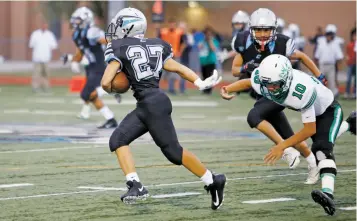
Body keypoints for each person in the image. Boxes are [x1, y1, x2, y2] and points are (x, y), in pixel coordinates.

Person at [101, 7, 226, 210]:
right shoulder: (156, 45)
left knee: (173, 153)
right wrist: (199, 82)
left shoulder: (118, 47)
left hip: (151, 105)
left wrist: (114, 88)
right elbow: (177, 68)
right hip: (151, 103)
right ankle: (135, 185)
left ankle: (213, 180)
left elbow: (106, 81)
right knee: (118, 139)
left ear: (127, 27)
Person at [221, 54, 343, 216]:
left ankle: (327, 195)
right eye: (267, 84)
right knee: (324, 140)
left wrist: (283, 145)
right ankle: (351, 124)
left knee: (321, 148)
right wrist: (228, 88)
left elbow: (309, 130)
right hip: (312, 111)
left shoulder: (301, 91)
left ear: (286, 79)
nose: (270, 89)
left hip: (328, 111)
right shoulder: (267, 81)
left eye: (274, 85)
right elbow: (250, 82)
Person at [230, 8, 328, 184]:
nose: (261, 34)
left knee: (254, 116)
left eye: (266, 29)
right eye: (258, 30)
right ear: (251, 29)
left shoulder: (282, 44)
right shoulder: (244, 42)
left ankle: (286, 150)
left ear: (274, 29)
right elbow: (235, 70)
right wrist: (245, 68)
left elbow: (302, 57)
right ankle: (313, 164)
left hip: (282, 92)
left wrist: (319, 75)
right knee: (288, 134)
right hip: (264, 94)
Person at [63, 7, 118, 128]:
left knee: (86, 94)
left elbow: (108, 40)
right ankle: (111, 119)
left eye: (78, 20)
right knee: (91, 96)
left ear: (86, 20)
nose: (75, 22)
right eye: (75, 20)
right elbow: (79, 55)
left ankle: (113, 89)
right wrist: (70, 58)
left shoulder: (91, 31)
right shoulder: (77, 35)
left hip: (99, 67)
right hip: (91, 67)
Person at [29, 20, 58, 93]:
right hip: (37, 57)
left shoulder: (50, 34)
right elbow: (31, 45)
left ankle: (46, 87)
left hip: (46, 57)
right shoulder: (35, 34)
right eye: (43, 24)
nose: (44, 26)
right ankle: (35, 87)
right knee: (36, 73)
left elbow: (54, 46)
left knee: (46, 74)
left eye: (45, 25)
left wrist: (53, 57)